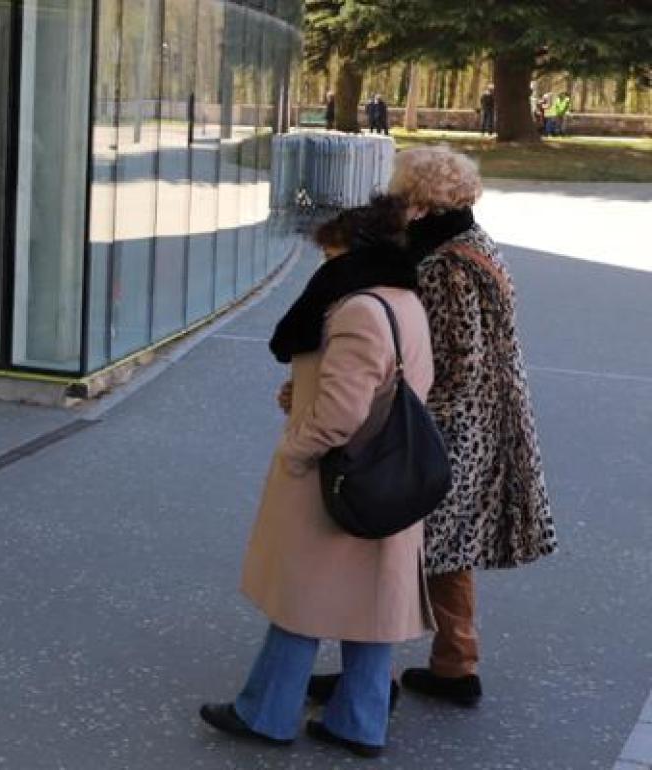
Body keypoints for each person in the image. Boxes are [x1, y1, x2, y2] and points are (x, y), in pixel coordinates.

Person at [311, 147, 558, 710]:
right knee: (448, 548)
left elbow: (451, 357)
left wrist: (385, 408)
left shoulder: (447, 264)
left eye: (403, 192)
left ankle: (375, 679)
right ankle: (455, 663)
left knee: (398, 543)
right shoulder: (476, 245)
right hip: (484, 418)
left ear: (421, 200)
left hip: (451, 423)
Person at [200, 196, 434, 759]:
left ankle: (266, 712)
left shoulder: (357, 308)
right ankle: (358, 721)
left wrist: (296, 451)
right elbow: (391, 384)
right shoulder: (405, 300)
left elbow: (343, 412)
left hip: (340, 474)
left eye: (330, 254)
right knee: (369, 607)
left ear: (353, 252)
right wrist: (304, 390)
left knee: (302, 598)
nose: (323, 267)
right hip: (386, 471)